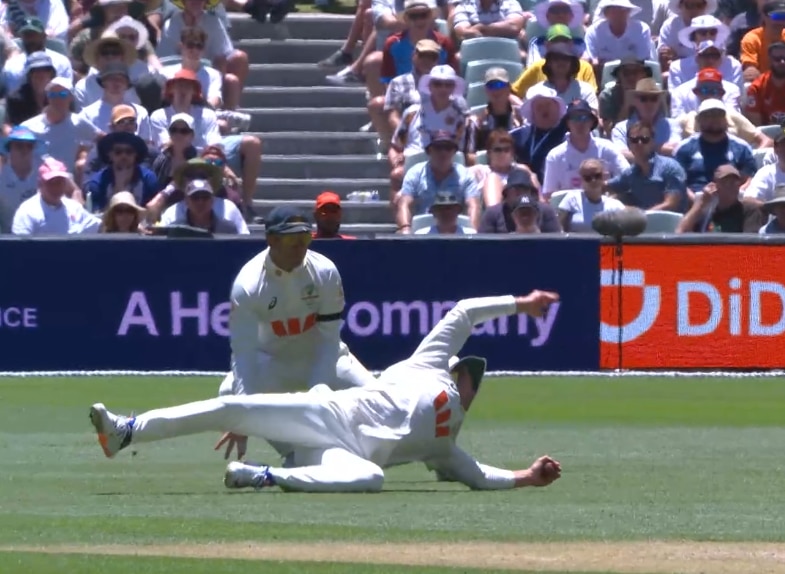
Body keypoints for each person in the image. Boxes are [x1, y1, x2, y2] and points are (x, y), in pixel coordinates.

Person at [88, 290, 564, 494]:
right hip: (325, 414)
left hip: (339, 456)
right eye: (470, 372)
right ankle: (126, 432)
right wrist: (521, 305)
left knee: (371, 480)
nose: (472, 382)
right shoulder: (430, 364)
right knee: (232, 408)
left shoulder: (445, 448)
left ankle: (264, 477)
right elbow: (463, 313)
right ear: (457, 369)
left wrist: (527, 476)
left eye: (475, 379)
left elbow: (479, 476)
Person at [212, 206, 377, 459]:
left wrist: (318, 392)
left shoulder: (325, 271)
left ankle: (418, 453)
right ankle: (294, 456)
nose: (300, 247)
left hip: (328, 359)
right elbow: (243, 354)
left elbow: (329, 338)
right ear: (272, 240)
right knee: (230, 392)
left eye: (305, 238)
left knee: (381, 402)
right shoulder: (248, 285)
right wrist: (242, 418)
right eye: (291, 240)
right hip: (275, 364)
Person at [676, 164, 763, 231]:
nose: (731, 186)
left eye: (734, 182)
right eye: (725, 182)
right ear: (715, 186)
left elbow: (750, 243)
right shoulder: (706, 209)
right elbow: (680, 231)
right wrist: (701, 203)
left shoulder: (748, 208)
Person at [558, 159, 626, 232]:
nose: (593, 180)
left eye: (597, 176)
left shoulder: (615, 205)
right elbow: (559, 226)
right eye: (588, 177)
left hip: (604, 243)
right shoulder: (571, 199)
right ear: (581, 180)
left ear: (604, 177)